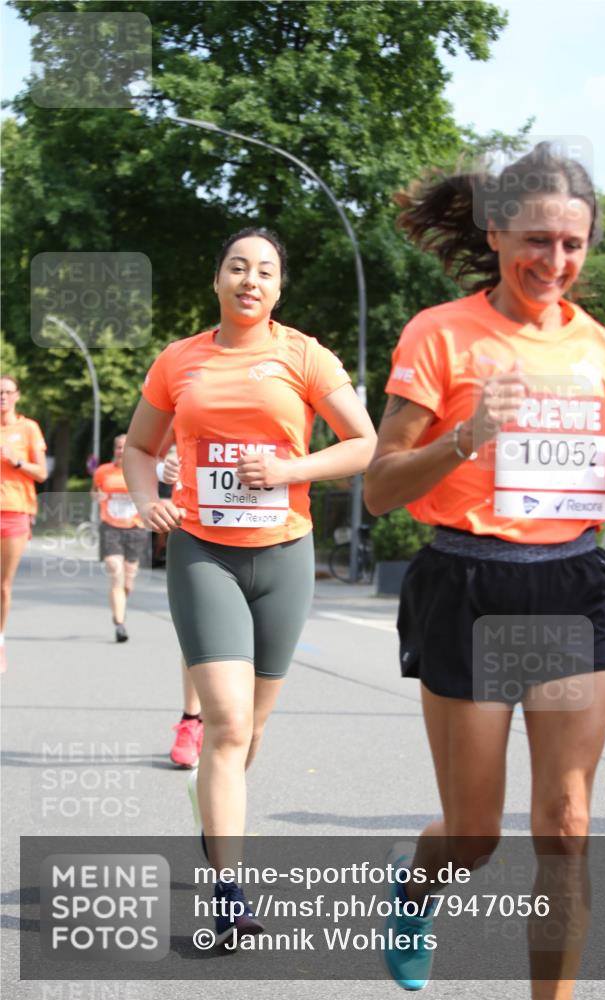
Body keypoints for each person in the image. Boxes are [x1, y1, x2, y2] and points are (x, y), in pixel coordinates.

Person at [363, 143, 605, 995]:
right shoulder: (440, 335)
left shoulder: (604, 351)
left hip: (570, 581)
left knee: (566, 826)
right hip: (466, 582)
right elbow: (382, 488)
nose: (555, 263)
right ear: (495, 231)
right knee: (473, 835)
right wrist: (463, 435)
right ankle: (415, 889)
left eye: (572, 245)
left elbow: (585, 471)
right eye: (536, 240)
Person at [123, 227, 376, 942]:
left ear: (277, 287)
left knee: (251, 730)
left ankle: (216, 814)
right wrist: (148, 501)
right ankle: (227, 892)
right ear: (217, 280)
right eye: (237, 267)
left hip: (284, 557)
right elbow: (142, 447)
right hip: (204, 551)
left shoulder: (303, 355)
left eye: (264, 270)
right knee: (227, 723)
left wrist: (290, 472)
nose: (250, 280)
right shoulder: (180, 361)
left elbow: (364, 444)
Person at [158, 445, 204, 768]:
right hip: (196, 532)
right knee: (199, 634)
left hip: (271, 533)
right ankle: (191, 720)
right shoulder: (179, 393)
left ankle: (232, 724)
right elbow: (146, 451)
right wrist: (164, 470)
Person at [0, 374, 48, 672]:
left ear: (17, 395)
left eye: (6, 392)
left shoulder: (28, 428)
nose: (2, 397)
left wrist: (16, 460)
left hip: (15, 512)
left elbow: (41, 473)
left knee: (3, 585)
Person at [92, 434, 150, 643]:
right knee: (115, 572)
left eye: (125, 447)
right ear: (114, 450)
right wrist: (97, 497)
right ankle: (119, 623)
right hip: (110, 528)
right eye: (118, 447)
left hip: (135, 529)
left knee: (128, 582)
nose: (120, 451)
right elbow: (95, 491)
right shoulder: (103, 472)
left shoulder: (140, 471)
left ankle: (120, 606)